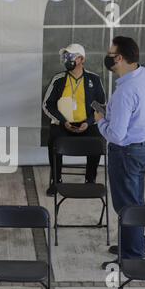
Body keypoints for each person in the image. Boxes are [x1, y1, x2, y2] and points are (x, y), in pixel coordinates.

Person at [95, 37, 145, 269]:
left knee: (126, 204)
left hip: (126, 152)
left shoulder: (125, 92)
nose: (108, 56)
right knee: (136, 199)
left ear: (119, 58)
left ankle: (131, 254)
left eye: (111, 53)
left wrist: (100, 120)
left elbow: (117, 135)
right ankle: (135, 243)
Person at [43, 43, 106, 196]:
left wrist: (89, 122)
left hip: (87, 124)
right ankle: (56, 182)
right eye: (65, 56)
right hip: (63, 123)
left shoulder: (93, 79)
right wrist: (62, 121)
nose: (66, 59)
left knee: (97, 140)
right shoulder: (58, 79)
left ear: (81, 59)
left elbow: (101, 107)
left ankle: (90, 180)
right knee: (54, 141)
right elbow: (47, 104)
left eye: (70, 56)